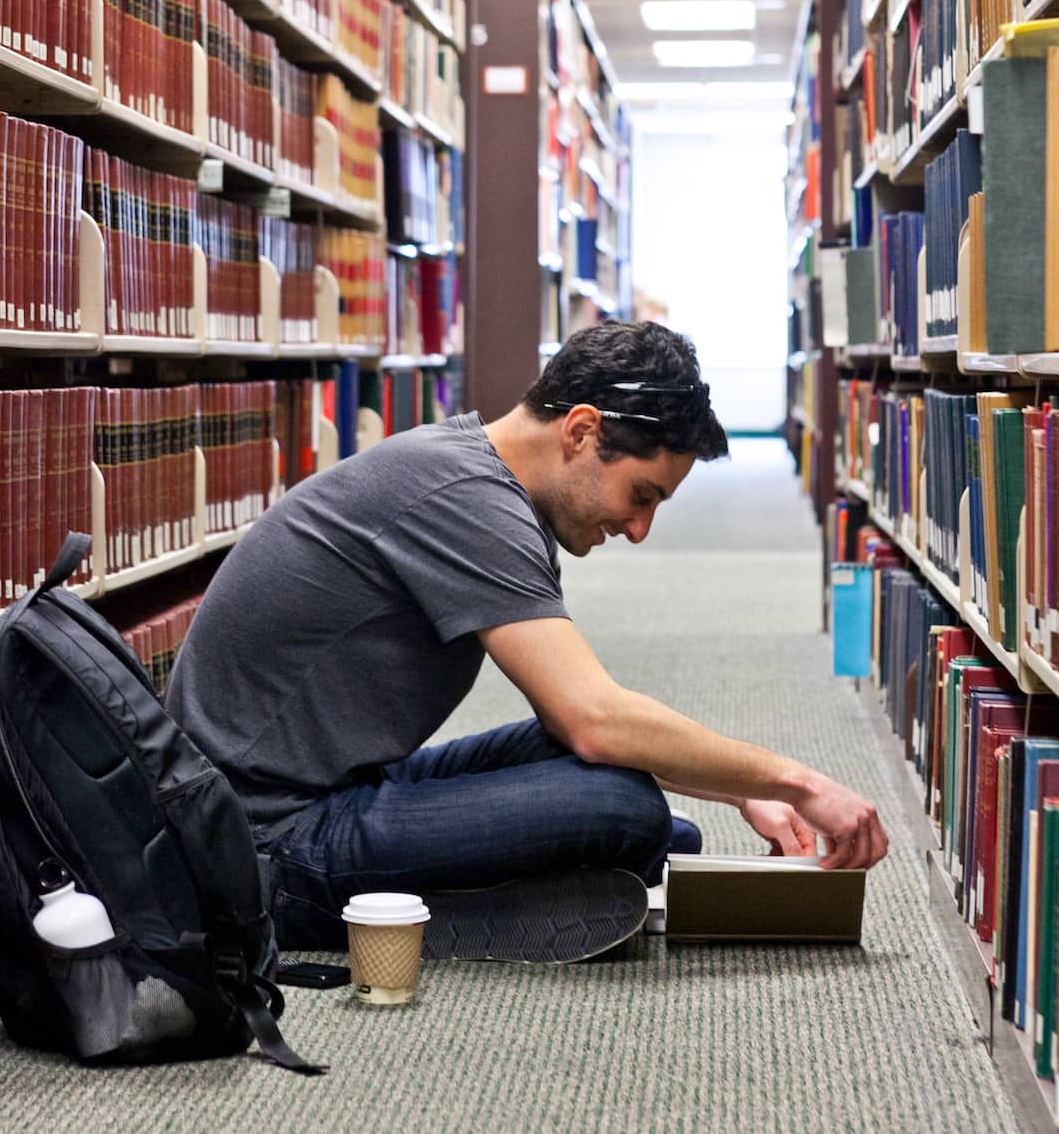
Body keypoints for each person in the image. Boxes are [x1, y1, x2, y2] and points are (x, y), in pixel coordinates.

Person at [166, 321, 888, 964]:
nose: (640, 532)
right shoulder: (468, 500)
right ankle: (408, 916)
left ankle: (536, 878)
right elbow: (596, 719)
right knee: (626, 813)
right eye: (642, 496)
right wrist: (796, 781)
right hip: (260, 844)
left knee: (631, 806)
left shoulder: (470, 469)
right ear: (580, 430)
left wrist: (740, 791)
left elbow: (577, 720)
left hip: (330, 787)